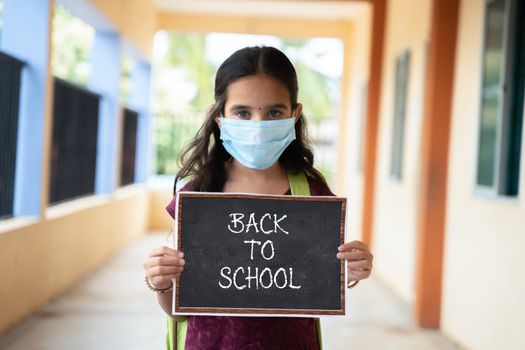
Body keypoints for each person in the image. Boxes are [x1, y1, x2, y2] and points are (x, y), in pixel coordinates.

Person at [143, 46, 374, 350]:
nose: (258, 125)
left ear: (295, 115)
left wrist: (351, 272)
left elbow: (318, 283)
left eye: (274, 112)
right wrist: (159, 281)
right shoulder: (198, 196)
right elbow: (177, 309)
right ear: (220, 118)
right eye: (242, 112)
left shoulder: (311, 193)